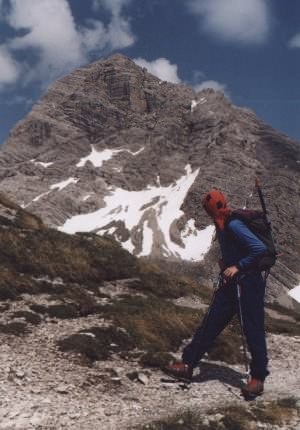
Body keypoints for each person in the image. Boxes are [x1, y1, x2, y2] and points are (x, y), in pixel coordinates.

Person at [163, 189, 269, 397]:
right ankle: (187, 364)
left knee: (253, 329)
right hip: (232, 284)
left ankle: (257, 377)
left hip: (249, 284)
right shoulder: (222, 223)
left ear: (210, 208)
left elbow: (259, 248)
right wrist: (227, 263)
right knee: (211, 323)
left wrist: (238, 266)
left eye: (207, 207)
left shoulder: (233, 224)